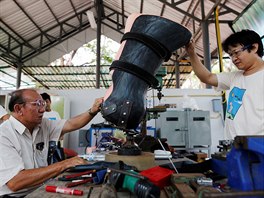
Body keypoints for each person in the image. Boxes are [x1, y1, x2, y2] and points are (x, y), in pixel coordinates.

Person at [0, 88, 103, 197]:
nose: (42, 109)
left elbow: (71, 124)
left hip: (39, 189)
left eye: (43, 104)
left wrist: (92, 111)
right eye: (37, 104)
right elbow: (15, 182)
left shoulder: (43, 125)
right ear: (19, 108)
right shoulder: (4, 135)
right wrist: (65, 164)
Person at [185, 29, 264, 139]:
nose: (233, 58)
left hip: (258, 149)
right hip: (234, 147)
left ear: (254, 47)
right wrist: (192, 53)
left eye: (236, 52)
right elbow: (207, 77)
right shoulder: (234, 77)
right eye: (231, 55)